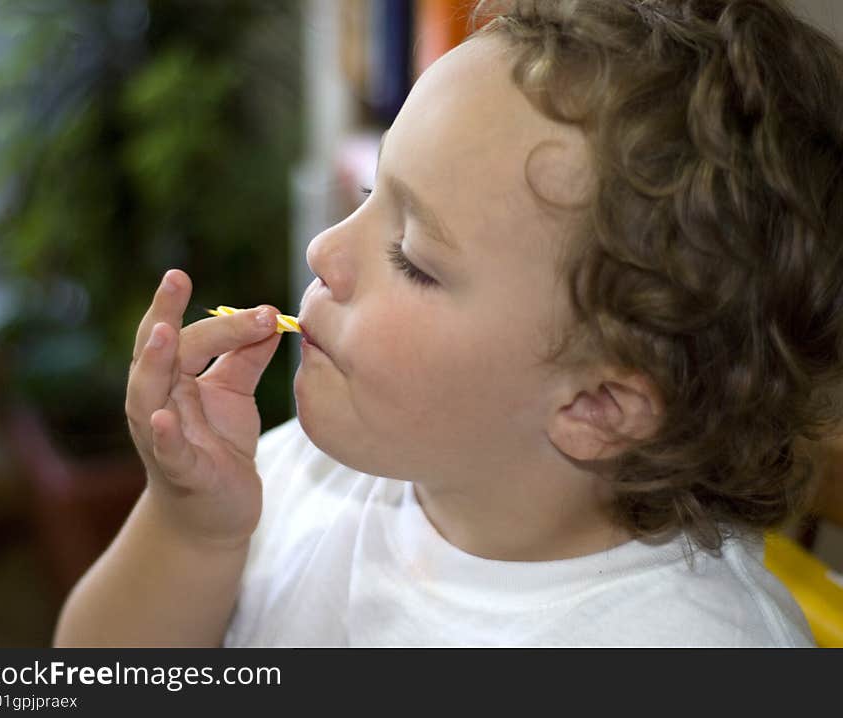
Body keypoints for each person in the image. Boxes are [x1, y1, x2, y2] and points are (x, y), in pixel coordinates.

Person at [53, 0, 843, 647]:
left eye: (414, 257)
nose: (323, 248)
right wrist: (194, 531)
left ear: (596, 408)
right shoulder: (319, 472)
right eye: (370, 195)